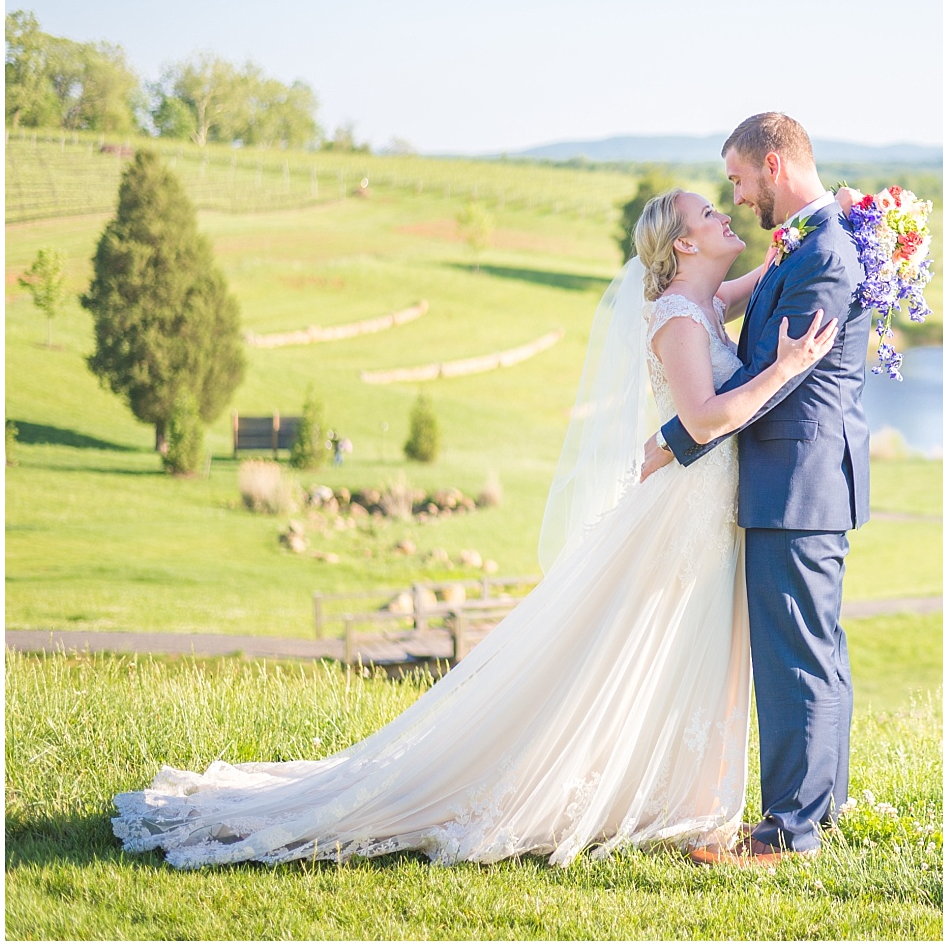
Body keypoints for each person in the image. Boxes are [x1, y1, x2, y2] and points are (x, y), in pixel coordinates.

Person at [112, 179, 839, 868]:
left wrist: (823, 232)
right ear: (683, 245)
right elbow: (706, 417)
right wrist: (790, 367)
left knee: (681, 644)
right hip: (687, 508)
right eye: (710, 213)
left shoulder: (705, 303)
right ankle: (586, 783)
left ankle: (678, 794)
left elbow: (754, 283)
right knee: (632, 648)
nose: (725, 216)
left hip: (706, 509)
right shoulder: (680, 320)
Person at [644, 111, 872, 864]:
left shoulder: (824, 254)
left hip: (796, 479)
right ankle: (818, 810)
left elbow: (776, 378)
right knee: (815, 649)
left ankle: (787, 831)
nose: (736, 197)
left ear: (773, 166)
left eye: (739, 180)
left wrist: (675, 438)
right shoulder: (803, 242)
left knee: (795, 659)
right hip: (799, 478)